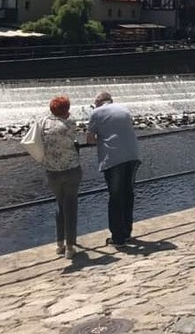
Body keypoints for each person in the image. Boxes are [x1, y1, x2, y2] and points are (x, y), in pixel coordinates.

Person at [87, 91, 141, 247]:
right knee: (128, 194)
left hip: (114, 158)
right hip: (133, 155)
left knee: (116, 197)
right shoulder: (124, 109)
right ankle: (127, 232)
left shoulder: (96, 113)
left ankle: (117, 238)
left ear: (98, 102)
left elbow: (90, 140)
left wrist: (101, 137)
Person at [41, 96, 82, 259]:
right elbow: (73, 135)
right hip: (71, 170)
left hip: (52, 172)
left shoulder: (44, 122)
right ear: (66, 109)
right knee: (71, 207)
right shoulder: (70, 122)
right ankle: (70, 247)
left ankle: (59, 244)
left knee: (60, 204)